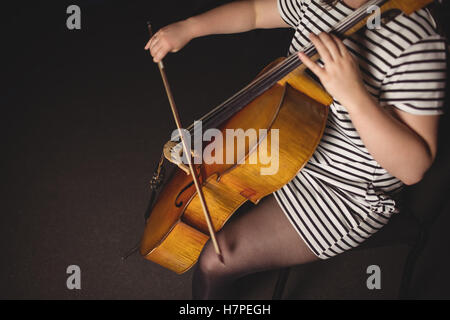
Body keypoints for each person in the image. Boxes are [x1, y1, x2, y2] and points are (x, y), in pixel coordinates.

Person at [145, 0, 447, 299]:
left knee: (216, 259)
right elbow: (255, 12)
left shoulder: (415, 41)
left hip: (345, 191)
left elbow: (413, 168)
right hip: (292, 143)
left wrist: (354, 95)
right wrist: (190, 28)